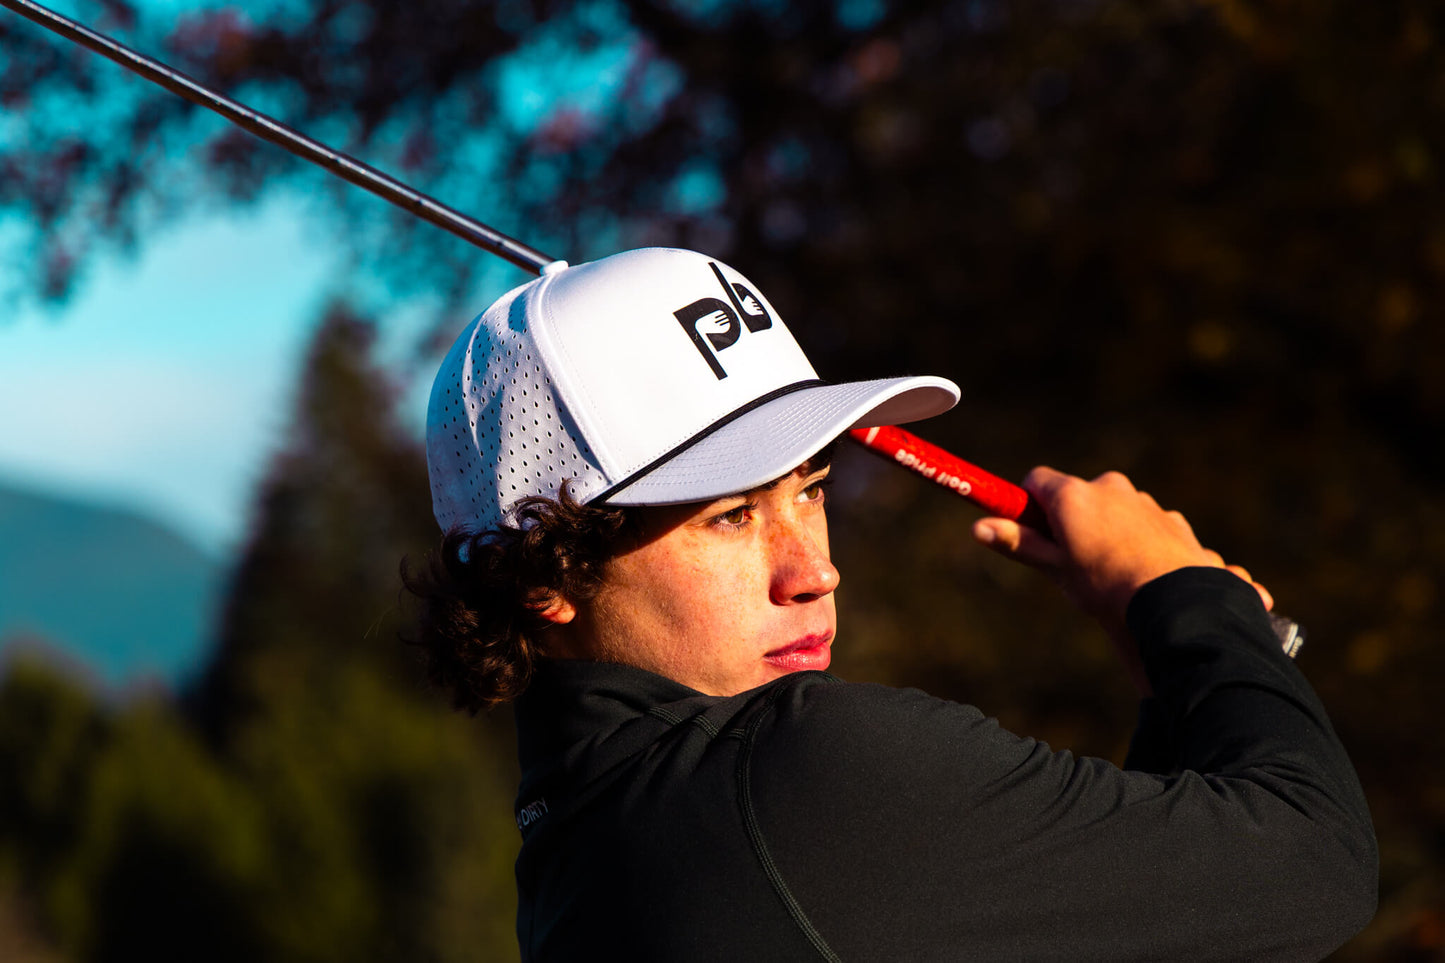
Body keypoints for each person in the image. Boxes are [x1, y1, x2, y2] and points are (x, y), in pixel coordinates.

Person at [406, 248, 1377, 961]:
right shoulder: (799, 778)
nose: (812, 570)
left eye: (810, 490)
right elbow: (1313, 862)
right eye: (731, 515)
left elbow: (1169, 925)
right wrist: (1184, 596)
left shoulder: (583, 856)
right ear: (542, 580)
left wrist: (1178, 676)